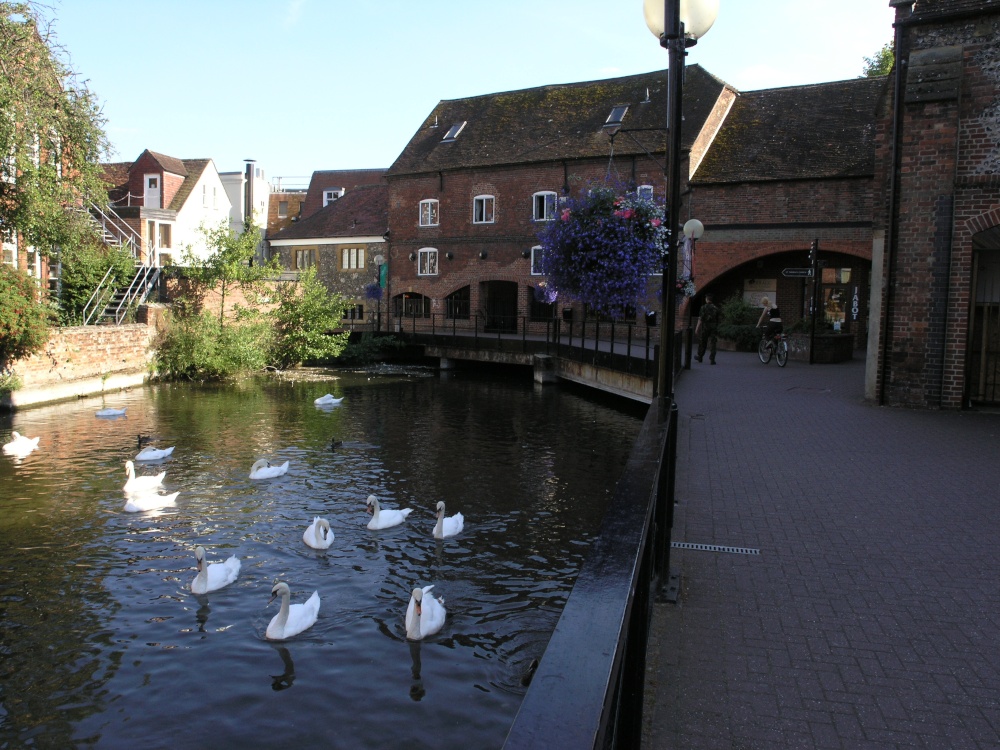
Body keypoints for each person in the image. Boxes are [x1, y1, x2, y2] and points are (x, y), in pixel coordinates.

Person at [695, 293, 720, 364]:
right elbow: (718, 319)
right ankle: (712, 359)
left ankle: (700, 357)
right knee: (713, 342)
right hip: (713, 327)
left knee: (703, 342)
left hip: (705, 327)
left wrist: (697, 328)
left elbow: (700, 319)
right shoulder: (716, 308)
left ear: (706, 299)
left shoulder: (703, 307)